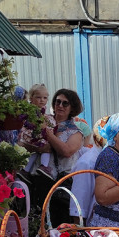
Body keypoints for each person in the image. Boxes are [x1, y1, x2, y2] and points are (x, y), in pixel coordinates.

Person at [40, 89, 85, 226]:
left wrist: (48, 134)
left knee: (59, 226)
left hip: (62, 185)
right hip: (41, 181)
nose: (60, 105)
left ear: (72, 108)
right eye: (57, 102)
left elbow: (67, 151)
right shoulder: (44, 120)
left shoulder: (75, 132)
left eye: (65, 104)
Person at [69, 117, 108, 224]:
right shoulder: (87, 162)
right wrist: (81, 233)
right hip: (95, 229)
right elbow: (79, 204)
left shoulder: (113, 157)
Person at [18, 83, 56, 179]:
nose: (42, 100)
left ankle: (25, 170)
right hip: (33, 135)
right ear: (31, 98)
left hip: (32, 136)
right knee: (45, 146)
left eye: (45, 98)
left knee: (34, 152)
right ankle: (44, 166)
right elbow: (35, 123)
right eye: (38, 97)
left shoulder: (39, 110)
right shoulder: (32, 110)